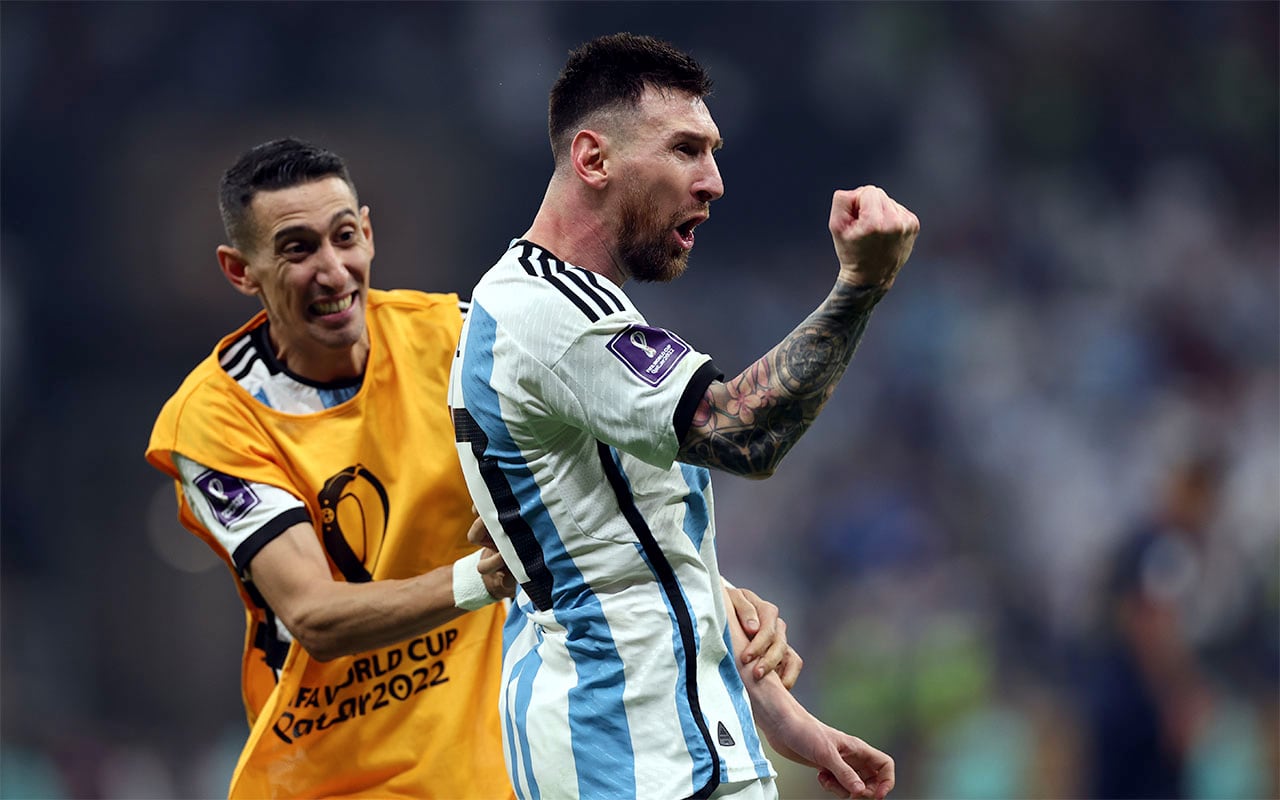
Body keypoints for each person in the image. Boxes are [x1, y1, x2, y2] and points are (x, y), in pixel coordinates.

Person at [145, 138, 800, 799]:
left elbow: (605, 490)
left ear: (368, 234)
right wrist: (491, 573)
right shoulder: (215, 417)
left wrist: (707, 588)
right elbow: (314, 615)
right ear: (240, 269)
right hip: (332, 778)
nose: (333, 269)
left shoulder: (458, 337)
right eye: (297, 249)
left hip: (492, 765)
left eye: (344, 237)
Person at [449, 33, 917, 800]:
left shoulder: (565, 306)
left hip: (679, 742)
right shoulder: (543, 310)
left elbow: (623, 548)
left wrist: (778, 711)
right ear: (594, 159)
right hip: (620, 751)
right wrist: (860, 286)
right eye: (686, 150)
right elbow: (742, 431)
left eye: (713, 151)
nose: (715, 181)